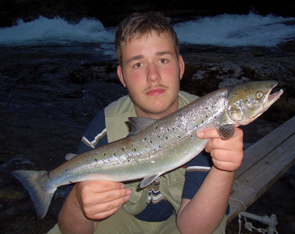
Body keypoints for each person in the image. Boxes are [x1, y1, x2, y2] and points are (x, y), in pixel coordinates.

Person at [49, 11, 244, 234]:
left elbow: (194, 229)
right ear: (121, 77)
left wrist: (224, 169)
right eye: (138, 64)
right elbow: (73, 231)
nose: (153, 75)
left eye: (162, 60)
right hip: (121, 218)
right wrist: (78, 201)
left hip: (184, 218)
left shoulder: (208, 122)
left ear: (180, 66)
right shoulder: (104, 127)